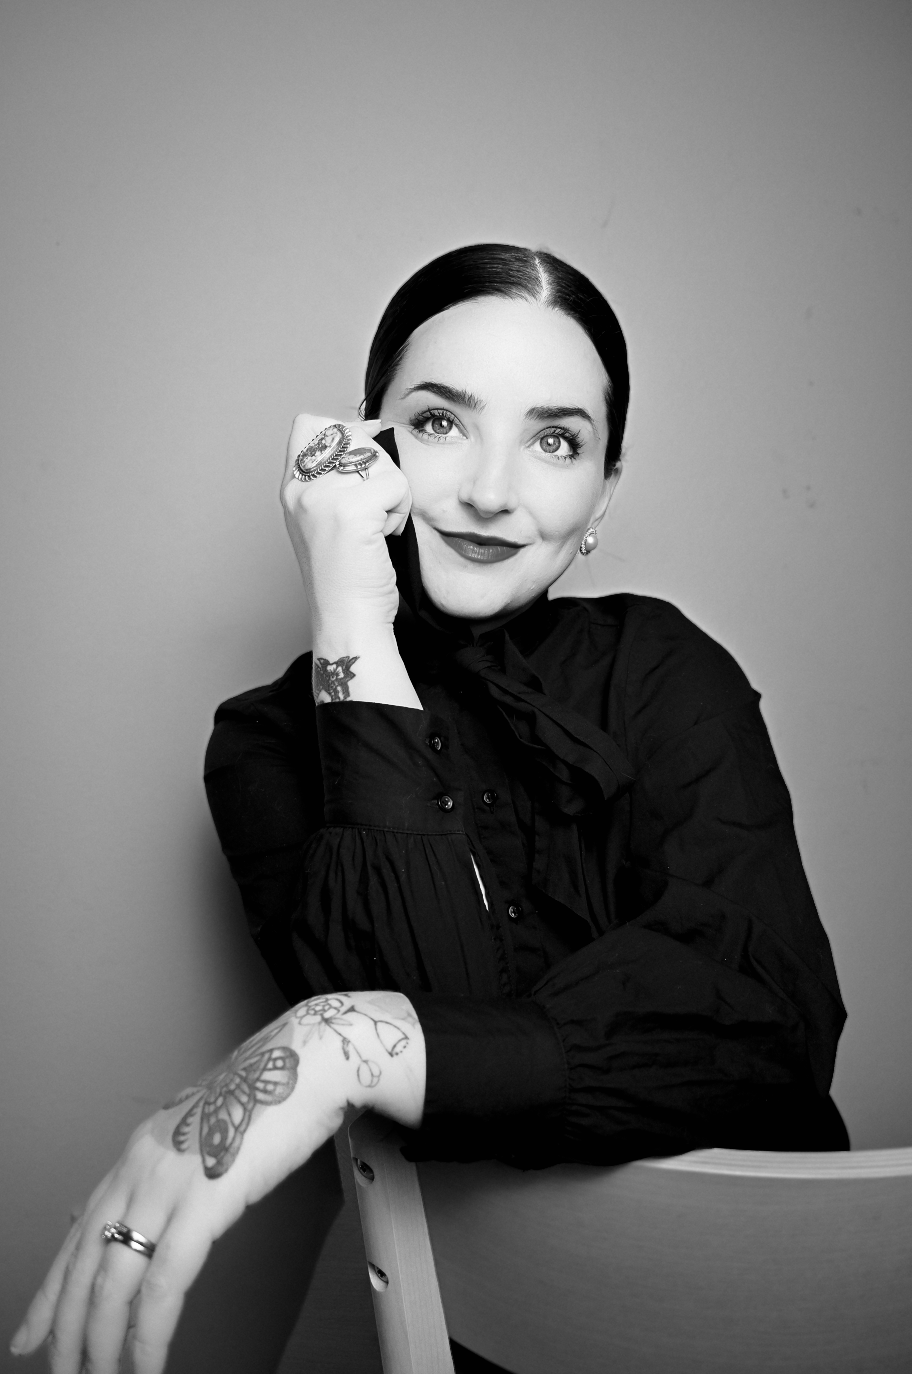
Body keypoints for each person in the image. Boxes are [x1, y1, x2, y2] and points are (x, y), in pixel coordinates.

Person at [12, 244, 848, 1373]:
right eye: (444, 421)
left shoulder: (666, 669)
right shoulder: (265, 743)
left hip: (767, 1325)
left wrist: (336, 1041)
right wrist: (350, 605)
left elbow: (768, 1031)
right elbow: (441, 1054)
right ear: (368, 448)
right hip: (456, 1337)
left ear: (603, 492)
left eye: (557, 440)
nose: (494, 491)